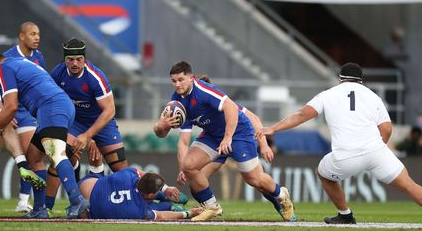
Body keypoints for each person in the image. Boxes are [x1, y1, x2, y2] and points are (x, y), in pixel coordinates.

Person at [255, 62, 422, 224]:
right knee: (409, 185)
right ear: (361, 80)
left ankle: (345, 215)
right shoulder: (373, 96)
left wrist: (274, 129)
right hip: (376, 151)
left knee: (323, 174)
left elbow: (301, 115)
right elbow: (386, 129)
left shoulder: (328, 94)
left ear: (340, 79)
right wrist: (376, 150)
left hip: (346, 155)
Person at [153, 61, 295, 221]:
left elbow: (233, 109)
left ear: (191, 78)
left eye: (180, 80)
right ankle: (211, 207)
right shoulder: (177, 102)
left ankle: (281, 196)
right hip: (213, 136)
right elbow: (179, 140)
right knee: (189, 168)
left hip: (237, 133)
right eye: (174, 81)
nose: (177, 84)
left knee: (254, 179)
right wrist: (161, 126)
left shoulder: (204, 92)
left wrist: (261, 144)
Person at [0, 53, 89, 219]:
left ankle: (76, 199)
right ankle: (40, 208)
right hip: (56, 106)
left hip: (51, 106)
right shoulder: (20, 62)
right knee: (33, 157)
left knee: (56, 153)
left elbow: (11, 106)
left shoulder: (3, 68)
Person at [43, 38, 129, 211]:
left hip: (102, 121)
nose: (75, 63)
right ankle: (47, 209)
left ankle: (136, 204)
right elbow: (49, 99)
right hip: (76, 121)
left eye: (79, 59)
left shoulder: (95, 77)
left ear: (84, 58)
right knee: (58, 155)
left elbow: (110, 110)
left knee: (120, 167)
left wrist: (87, 136)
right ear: (65, 59)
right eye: (70, 59)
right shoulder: (58, 73)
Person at [0, 21, 46, 213]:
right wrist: (3, 110)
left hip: (31, 111)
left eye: (38, 34)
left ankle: (24, 201)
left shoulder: (39, 57)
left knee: (32, 156)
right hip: (15, 111)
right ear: (21, 36)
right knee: (33, 156)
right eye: (32, 34)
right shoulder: (7, 58)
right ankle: (26, 201)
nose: (37, 37)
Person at [78, 167, 201, 219]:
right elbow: (161, 215)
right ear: (149, 195)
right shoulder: (140, 210)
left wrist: (165, 188)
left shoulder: (127, 175)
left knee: (175, 198)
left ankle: (168, 199)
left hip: (92, 194)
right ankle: (172, 205)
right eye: (159, 189)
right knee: (164, 207)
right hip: (132, 202)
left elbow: (141, 174)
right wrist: (188, 213)